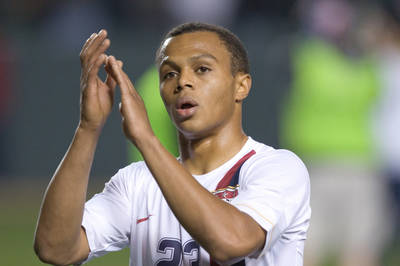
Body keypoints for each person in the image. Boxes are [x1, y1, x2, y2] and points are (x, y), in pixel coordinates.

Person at [34, 22, 311, 265]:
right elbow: (55, 249)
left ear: (241, 86)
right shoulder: (137, 183)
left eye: (202, 69)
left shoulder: (278, 168)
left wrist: (146, 138)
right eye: (169, 74)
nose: (183, 82)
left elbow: (231, 243)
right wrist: (88, 128)